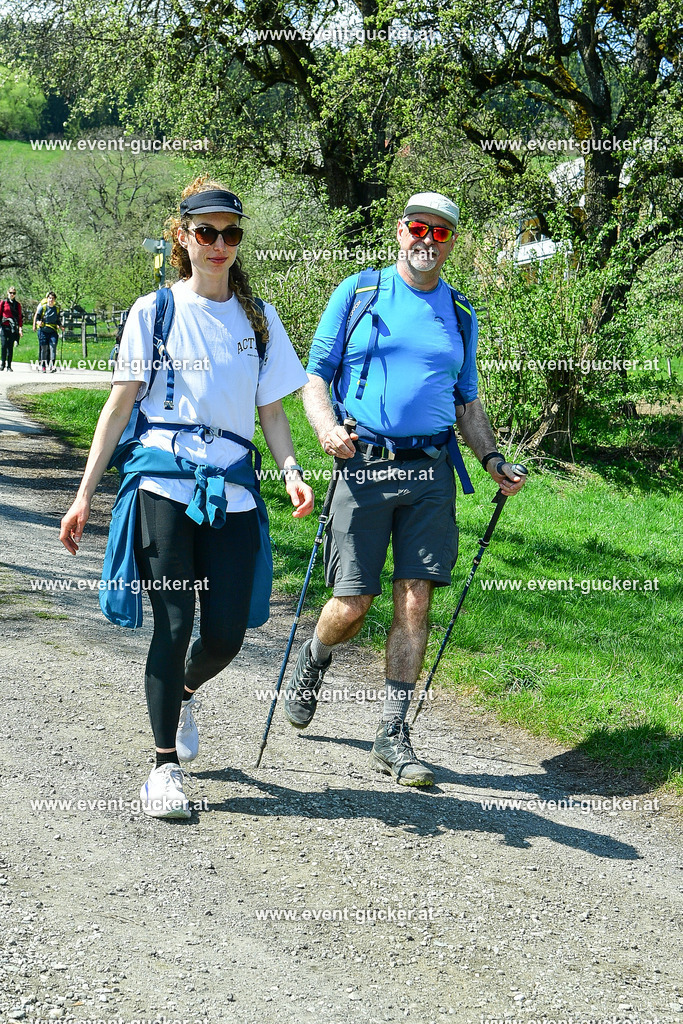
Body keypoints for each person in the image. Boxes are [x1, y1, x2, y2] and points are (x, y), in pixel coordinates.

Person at [60, 176, 314, 819]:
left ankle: (184, 693)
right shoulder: (154, 312)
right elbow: (119, 407)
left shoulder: (258, 319)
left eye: (231, 233)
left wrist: (290, 471)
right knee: (173, 624)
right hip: (162, 485)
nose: (219, 244)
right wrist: (84, 494)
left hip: (231, 490)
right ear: (184, 237)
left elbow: (272, 411)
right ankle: (163, 769)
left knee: (225, 635)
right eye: (207, 232)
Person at [284, 191, 527, 787]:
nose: (427, 240)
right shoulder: (359, 293)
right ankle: (315, 658)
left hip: (430, 471)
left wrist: (492, 457)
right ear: (400, 231)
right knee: (352, 604)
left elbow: (467, 402)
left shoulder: (461, 313)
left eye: (440, 233)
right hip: (364, 464)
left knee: (416, 601)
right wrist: (326, 429)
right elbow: (315, 378)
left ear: (451, 243)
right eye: (419, 228)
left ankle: (392, 733)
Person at [33, 291, 62, 372]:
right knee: (44, 349)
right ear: (47, 299)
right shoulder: (43, 308)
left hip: (53, 331)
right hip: (43, 330)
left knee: (53, 347)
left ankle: (52, 366)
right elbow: (37, 317)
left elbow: (58, 320)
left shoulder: (56, 309)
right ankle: (43, 366)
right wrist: (37, 322)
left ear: (54, 300)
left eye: (52, 299)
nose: (51, 300)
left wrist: (60, 326)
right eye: (50, 298)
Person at [0, 286, 23, 371]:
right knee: (3, 345)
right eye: (10, 293)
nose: (12, 294)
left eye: (14, 293)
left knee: (10, 346)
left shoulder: (17, 305)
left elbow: (19, 317)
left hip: (12, 328)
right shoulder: (3, 303)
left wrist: (20, 328)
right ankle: (2, 364)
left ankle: (9, 366)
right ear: (7, 293)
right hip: (4, 326)